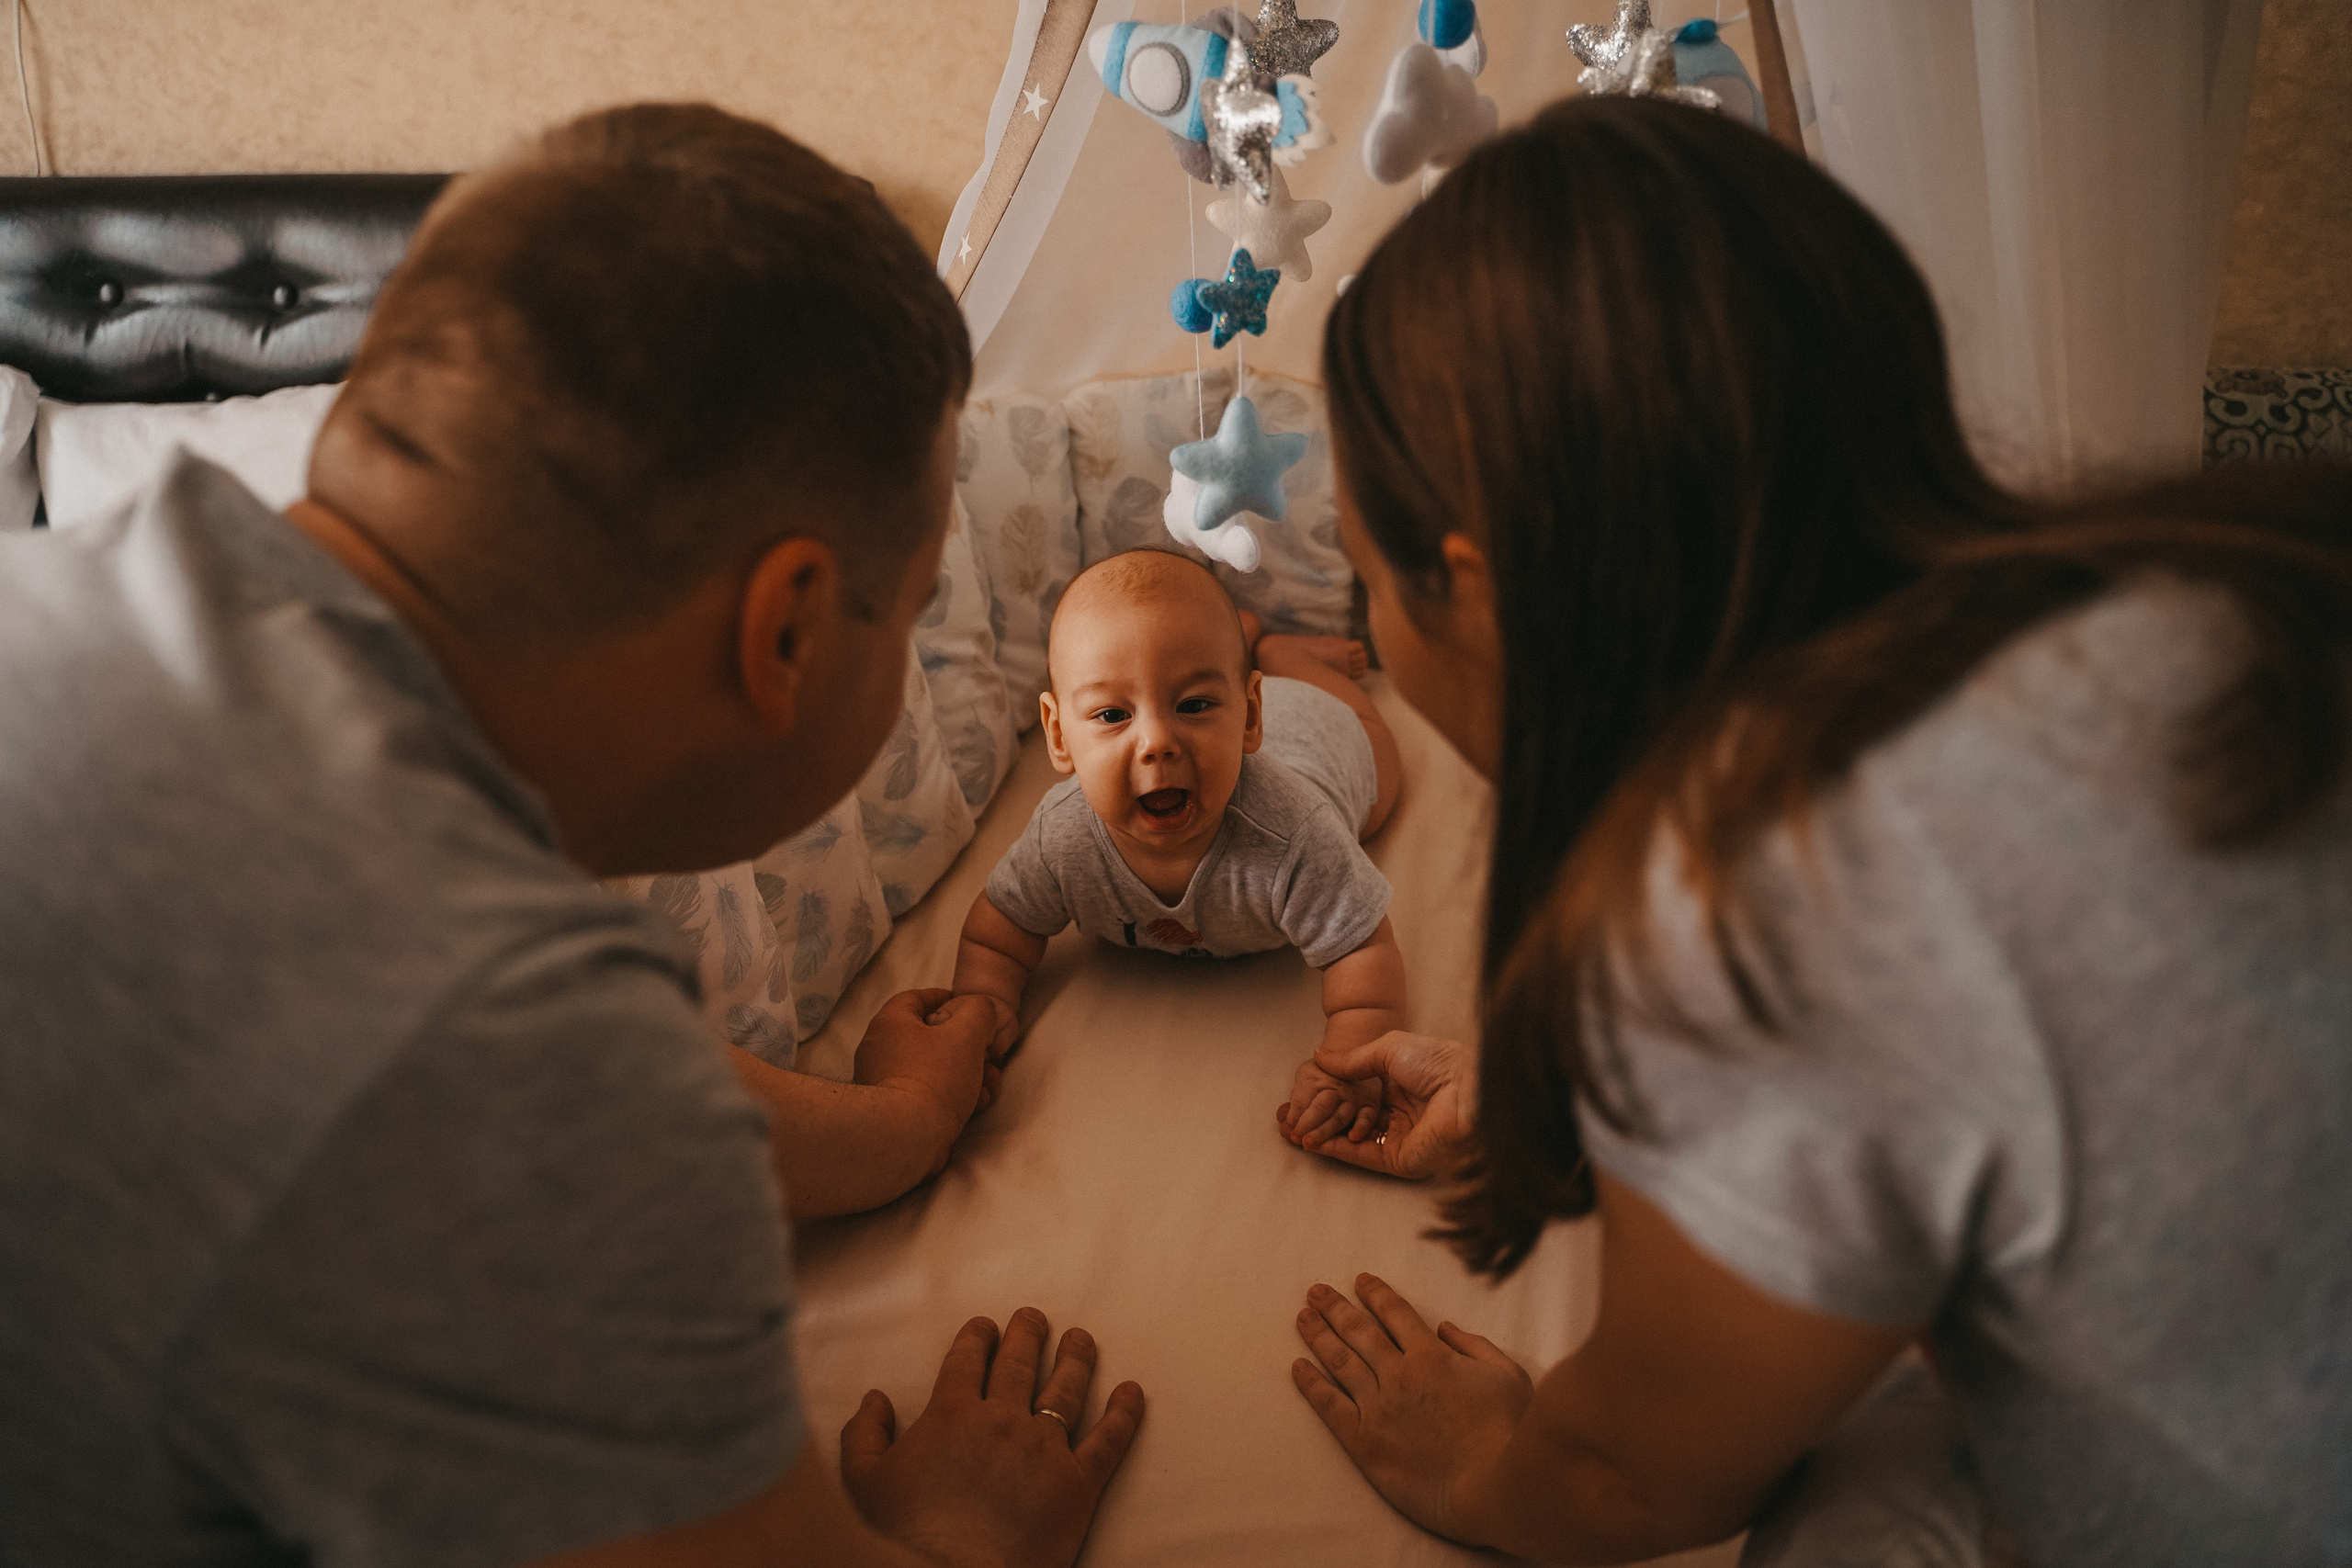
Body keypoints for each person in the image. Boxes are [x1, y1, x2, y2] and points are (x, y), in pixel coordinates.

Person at [0, 105, 1142, 1567]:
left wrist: (905, 1125)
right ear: (785, 627)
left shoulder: (102, 597)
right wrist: (963, 1530)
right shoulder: (511, 1049)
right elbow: (500, 1078)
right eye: (912, 608)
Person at [1272, 96, 2352, 1564]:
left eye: (1362, 576)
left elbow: (1637, 1476)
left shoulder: (1753, 908)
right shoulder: (2191, 592)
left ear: (1478, 589)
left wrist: (1491, 1465)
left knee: (1847, 1494)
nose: (1368, 628)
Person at [954, 549, 1404, 1143]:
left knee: (1379, 756)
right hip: (1255, 706)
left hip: (1323, 735)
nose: (1157, 743)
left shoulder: (1296, 834)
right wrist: (982, 1005)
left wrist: (1351, 1067)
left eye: (1193, 705)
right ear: (1059, 735)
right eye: (1113, 714)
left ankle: (1286, 656)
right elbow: (999, 929)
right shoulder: (1063, 837)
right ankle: (1248, 651)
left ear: (1247, 716)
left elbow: (1364, 951)